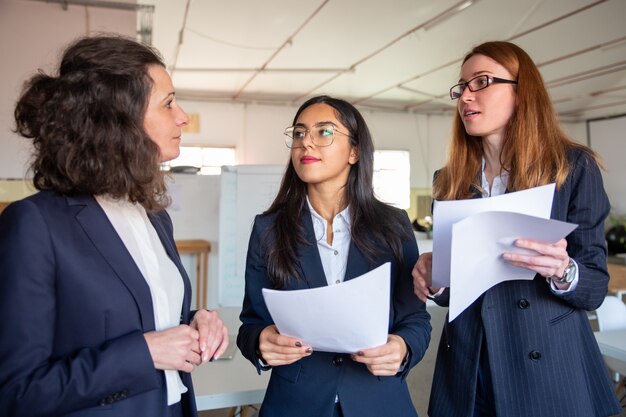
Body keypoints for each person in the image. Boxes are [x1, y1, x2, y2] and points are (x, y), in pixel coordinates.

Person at [0, 35, 229, 417]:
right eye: (168, 103)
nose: (183, 116)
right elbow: (16, 392)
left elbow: (142, 316)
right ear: (118, 120)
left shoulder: (154, 216)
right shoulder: (34, 225)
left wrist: (195, 324)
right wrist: (145, 353)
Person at [412, 41, 621, 417]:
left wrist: (563, 269)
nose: (465, 97)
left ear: (522, 93)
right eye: (462, 87)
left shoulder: (572, 168)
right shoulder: (448, 180)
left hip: (547, 362)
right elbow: (448, 296)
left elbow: (593, 287)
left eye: (482, 82)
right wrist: (436, 280)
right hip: (469, 362)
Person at [237, 95, 431, 417]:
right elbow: (252, 324)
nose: (306, 144)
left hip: (379, 399)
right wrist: (261, 342)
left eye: (324, 132)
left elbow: (415, 319)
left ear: (354, 152)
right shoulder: (268, 229)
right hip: (296, 402)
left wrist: (403, 347)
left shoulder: (392, 225)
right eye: (299, 134)